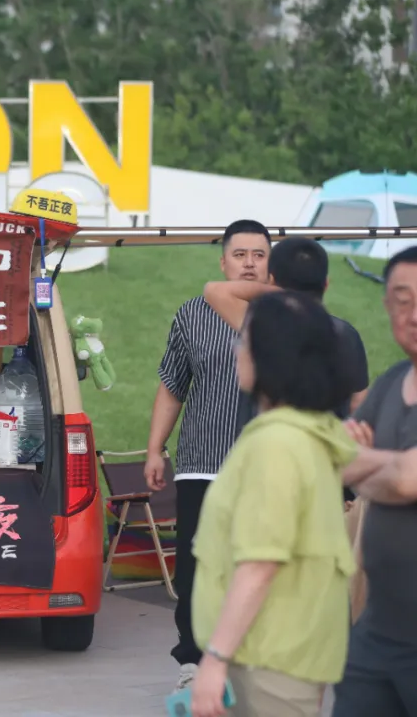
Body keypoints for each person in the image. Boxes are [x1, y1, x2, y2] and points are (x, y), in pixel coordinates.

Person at [189, 290, 417, 717]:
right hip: (288, 654)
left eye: (244, 340)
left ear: (271, 357)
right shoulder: (316, 430)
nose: (236, 350)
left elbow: (260, 565)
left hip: (263, 660)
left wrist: (215, 659)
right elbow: (393, 468)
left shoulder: (276, 445)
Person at [145, 219, 271, 691]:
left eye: (259, 255)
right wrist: (155, 449)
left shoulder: (286, 315)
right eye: (240, 254)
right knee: (197, 567)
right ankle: (193, 662)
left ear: (270, 264)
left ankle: (254, 662)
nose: (249, 263)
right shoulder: (192, 315)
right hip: (203, 464)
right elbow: (172, 385)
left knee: (260, 564)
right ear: (223, 262)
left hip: (268, 469)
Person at [200, 236, 371, 504]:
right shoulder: (346, 334)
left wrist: (280, 291)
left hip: (263, 470)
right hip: (327, 471)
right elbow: (359, 403)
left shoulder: (263, 326)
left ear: (270, 280)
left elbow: (215, 291)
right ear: (326, 284)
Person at [331, 245, 417, 717]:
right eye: (403, 301)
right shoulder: (390, 383)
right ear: (387, 306)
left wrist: (371, 464)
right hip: (377, 628)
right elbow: (338, 459)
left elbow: (410, 479)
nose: (416, 315)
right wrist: (394, 469)